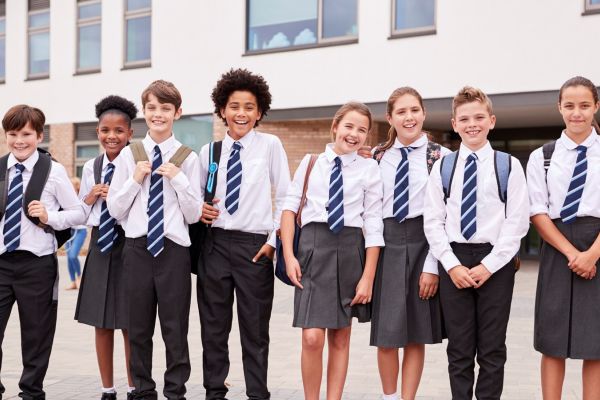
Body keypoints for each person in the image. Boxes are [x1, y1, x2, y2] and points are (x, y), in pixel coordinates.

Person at [423, 86, 529, 400]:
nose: (473, 124)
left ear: (492, 121)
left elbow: (517, 222)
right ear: (454, 124)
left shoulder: (508, 166)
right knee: (459, 348)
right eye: (465, 118)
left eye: (479, 117)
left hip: (495, 260)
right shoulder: (443, 167)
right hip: (453, 259)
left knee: (493, 348)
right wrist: (451, 265)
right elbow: (433, 221)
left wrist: (490, 265)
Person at [197, 68, 290, 400]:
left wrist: (271, 242)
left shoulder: (270, 145)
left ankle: (257, 394)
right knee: (213, 329)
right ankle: (213, 392)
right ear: (222, 109)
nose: (241, 113)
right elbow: (194, 202)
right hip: (215, 245)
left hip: (255, 247)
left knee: (255, 330)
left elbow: (286, 196)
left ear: (259, 112)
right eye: (234, 106)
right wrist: (200, 210)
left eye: (249, 107)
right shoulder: (209, 153)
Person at [281, 101, 383, 400]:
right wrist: (288, 255)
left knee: (341, 336)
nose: (354, 134)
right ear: (335, 127)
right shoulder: (311, 162)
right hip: (312, 251)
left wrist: (368, 276)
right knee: (312, 338)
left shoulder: (369, 168)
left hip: (351, 250)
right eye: (349, 126)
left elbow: (374, 224)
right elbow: (288, 209)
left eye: (362, 130)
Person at [107, 80, 202, 400]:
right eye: (151, 108)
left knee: (175, 328)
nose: (158, 114)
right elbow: (116, 211)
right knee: (138, 328)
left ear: (177, 112)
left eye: (165, 108)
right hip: (137, 249)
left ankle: (176, 392)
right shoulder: (128, 156)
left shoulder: (188, 157)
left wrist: (179, 180)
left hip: (174, 251)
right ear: (144, 111)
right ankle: (143, 391)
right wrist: (135, 180)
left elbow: (193, 215)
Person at [0, 104, 86, 399]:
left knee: (36, 337)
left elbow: (78, 214)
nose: (19, 141)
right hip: (0, 264)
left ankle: (31, 393)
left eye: (26, 134)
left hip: (36, 266)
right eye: (13, 134)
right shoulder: (0, 169)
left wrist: (51, 217)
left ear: (39, 135)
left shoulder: (53, 170)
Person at [369, 87, 449, 400]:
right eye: (401, 111)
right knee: (387, 334)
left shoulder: (441, 157)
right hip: (386, 243)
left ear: (424, 113)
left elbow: (444, 216)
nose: (409, 117)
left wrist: (433, 265)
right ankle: (389, 397)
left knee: (415, 333)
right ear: (390, 118)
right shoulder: (377, 156)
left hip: (423, 242)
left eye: (414, 110)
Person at [526, 76, 600, 400]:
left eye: (585, 105)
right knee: (552, 340)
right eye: (569, 105)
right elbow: (538, 213)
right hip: (557, 247)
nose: (577, 113)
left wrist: (592, 254)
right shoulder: (542, 156)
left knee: (595, 344)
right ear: (559, 107)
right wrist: (573, 254)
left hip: (598, 245)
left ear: (596, 106)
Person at [75, 95, 138, 400]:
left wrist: (120, 194)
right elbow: (81, 215)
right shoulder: (92, 166)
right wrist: (88, 197)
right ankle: (106, 389)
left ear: (130, 134)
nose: (111, 136)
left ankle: (133, 387)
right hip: (101, 243)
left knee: (129, 321)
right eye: (104, 130)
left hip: (129, 242)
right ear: (98, 131)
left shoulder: (138, 163)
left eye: (118, 131)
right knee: (101, 322)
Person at [65, 176, 87, 290]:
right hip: (69, 230)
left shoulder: (80, 199)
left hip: (80, 231)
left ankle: (79, 278)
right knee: (69, 257)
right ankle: (73, 281)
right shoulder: (66, 198)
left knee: (73, 255)